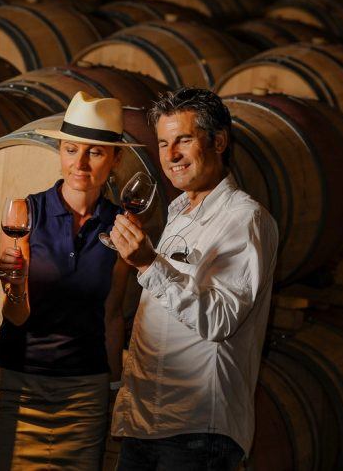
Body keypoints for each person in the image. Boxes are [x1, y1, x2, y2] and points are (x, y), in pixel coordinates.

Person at [108, 87, 279, 470]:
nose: (170, 156)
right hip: (147, 421)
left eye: (183, 140)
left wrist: (150, 264)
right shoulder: (179, 211)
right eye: (164, 143)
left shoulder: (244, 219)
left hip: (196, 429)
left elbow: (218, 319)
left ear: (218, 141)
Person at [0, 91, 142, 470]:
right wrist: (15, 287)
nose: (80, 164)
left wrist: (111, 388)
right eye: (71, 149)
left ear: (116, 158)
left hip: (83, 393)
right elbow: (16, 315)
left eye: (95, 152)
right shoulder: (26, 212)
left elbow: (111, 316)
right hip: (18, 382)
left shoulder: (122, 227)